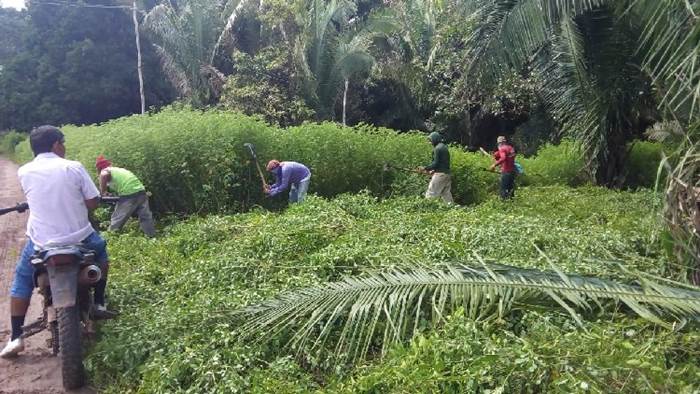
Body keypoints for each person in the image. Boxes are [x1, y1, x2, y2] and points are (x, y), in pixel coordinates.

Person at [1, 126, 112, 358]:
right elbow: (92, 203)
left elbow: (38, 196)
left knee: (22, 281)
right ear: (55, 145)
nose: (65, 146)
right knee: (101, 255)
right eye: (63, 142)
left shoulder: (24, 171)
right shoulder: (74, 167)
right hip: (80, 239)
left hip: (41, 243)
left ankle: (15, 338)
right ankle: (99, 303)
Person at [95, 155, 156, 237]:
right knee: (145, 217)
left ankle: (109, 239)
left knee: (117, 219)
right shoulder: (117, 170)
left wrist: (103, 192)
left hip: (129, 194)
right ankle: (151, 236)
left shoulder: (105, 170)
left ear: (99, 168)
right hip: (141, 191)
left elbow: (103, 175)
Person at [422, 132, 453, 203]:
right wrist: (433, 170)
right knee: (446, 195)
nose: (430, 142)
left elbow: (435, 163)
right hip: (447, 174)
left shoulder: (437, 148)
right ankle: (452, 209)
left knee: (431, 193)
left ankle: (427, 209)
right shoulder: (444, 147)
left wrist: (425, 168)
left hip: (440, 175)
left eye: (431, 140)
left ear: (435, 139)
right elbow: (442, 163)